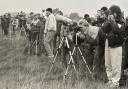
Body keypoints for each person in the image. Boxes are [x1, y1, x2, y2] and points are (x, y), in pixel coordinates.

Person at [93, 5, 124, 86]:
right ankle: (110, 80)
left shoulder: (121, 22)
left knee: (115, 65)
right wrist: (108, 21)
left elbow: (117, 30)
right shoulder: (109, 21)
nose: (109, 14)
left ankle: (115, 82)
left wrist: (112, 21)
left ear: (115, 13)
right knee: (108, 64)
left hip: (116, 46)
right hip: (108, 44)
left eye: (111, 13)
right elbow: (103, 29)